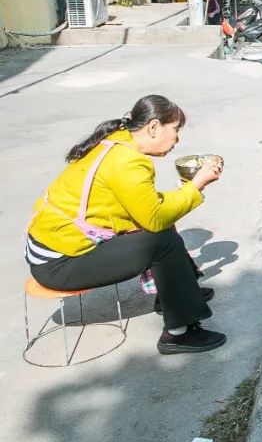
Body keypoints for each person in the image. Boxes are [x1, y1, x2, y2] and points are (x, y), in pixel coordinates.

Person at [24, 95, 226, 354]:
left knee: (161, 229)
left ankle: (174, 297)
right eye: (176, 130)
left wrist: (184, 192)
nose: (177, 139)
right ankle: (179, 332)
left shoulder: (117, 143)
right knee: (162, 240)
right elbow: (154, 218)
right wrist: (197, 185)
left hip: (54, 250)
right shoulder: (128, 162)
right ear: (153, 127)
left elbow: (144, 205)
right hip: (58, 263)